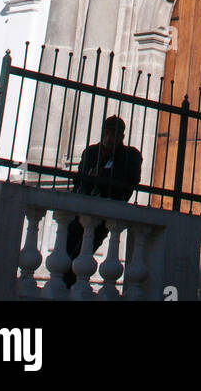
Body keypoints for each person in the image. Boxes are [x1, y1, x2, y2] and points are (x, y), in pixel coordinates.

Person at [64, 115, 143, 286]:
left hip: (105, 213)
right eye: (107, 133)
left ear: (121, 137)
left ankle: (69, 285)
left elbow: (130, 179)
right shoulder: (91, 152)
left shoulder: (130, 156)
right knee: (66, 250)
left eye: (114, 134)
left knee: (83, 252)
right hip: (81, 209)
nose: (109, 138)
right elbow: (80, 178)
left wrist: (102, 175)